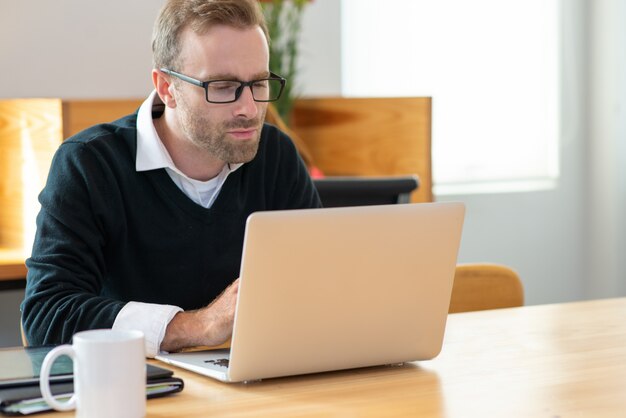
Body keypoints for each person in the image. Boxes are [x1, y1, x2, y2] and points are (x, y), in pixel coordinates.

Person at [21, 0, 321, 357]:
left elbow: (320, 283)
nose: (249, 108)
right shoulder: (89, 165)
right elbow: (46, 315)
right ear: (166, 87)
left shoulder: (276, 156)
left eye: (259, 83)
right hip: (133, 391)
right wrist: (199, 325)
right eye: (223, 87)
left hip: (249, 389)